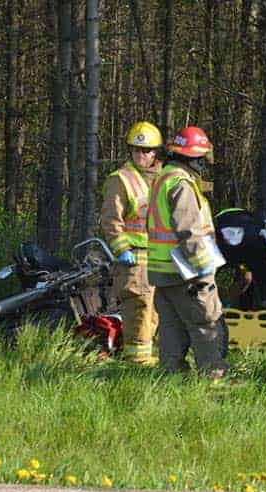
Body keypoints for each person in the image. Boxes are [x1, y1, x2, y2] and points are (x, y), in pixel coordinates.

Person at [146, 125, 227, 379]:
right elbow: (189, 231)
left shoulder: (163, 177)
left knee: (171, 328)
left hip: (162, 271)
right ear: (195, 157)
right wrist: (204, 270)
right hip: (187, 272)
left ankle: (171, 378)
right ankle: (213, 378)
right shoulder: (182, 184)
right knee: (205, 323)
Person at [99, 121, 163, 364]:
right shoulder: (121, 179)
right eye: (136, 150)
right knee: (138, 307)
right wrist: (121, 248)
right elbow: (110, 218)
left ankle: (146, 354)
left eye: (146, 150)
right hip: (134, 258)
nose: (140, 155)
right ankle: (136, 362)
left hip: (158, 257)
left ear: (155, 152)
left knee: (154, 309)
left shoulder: (163, 177)